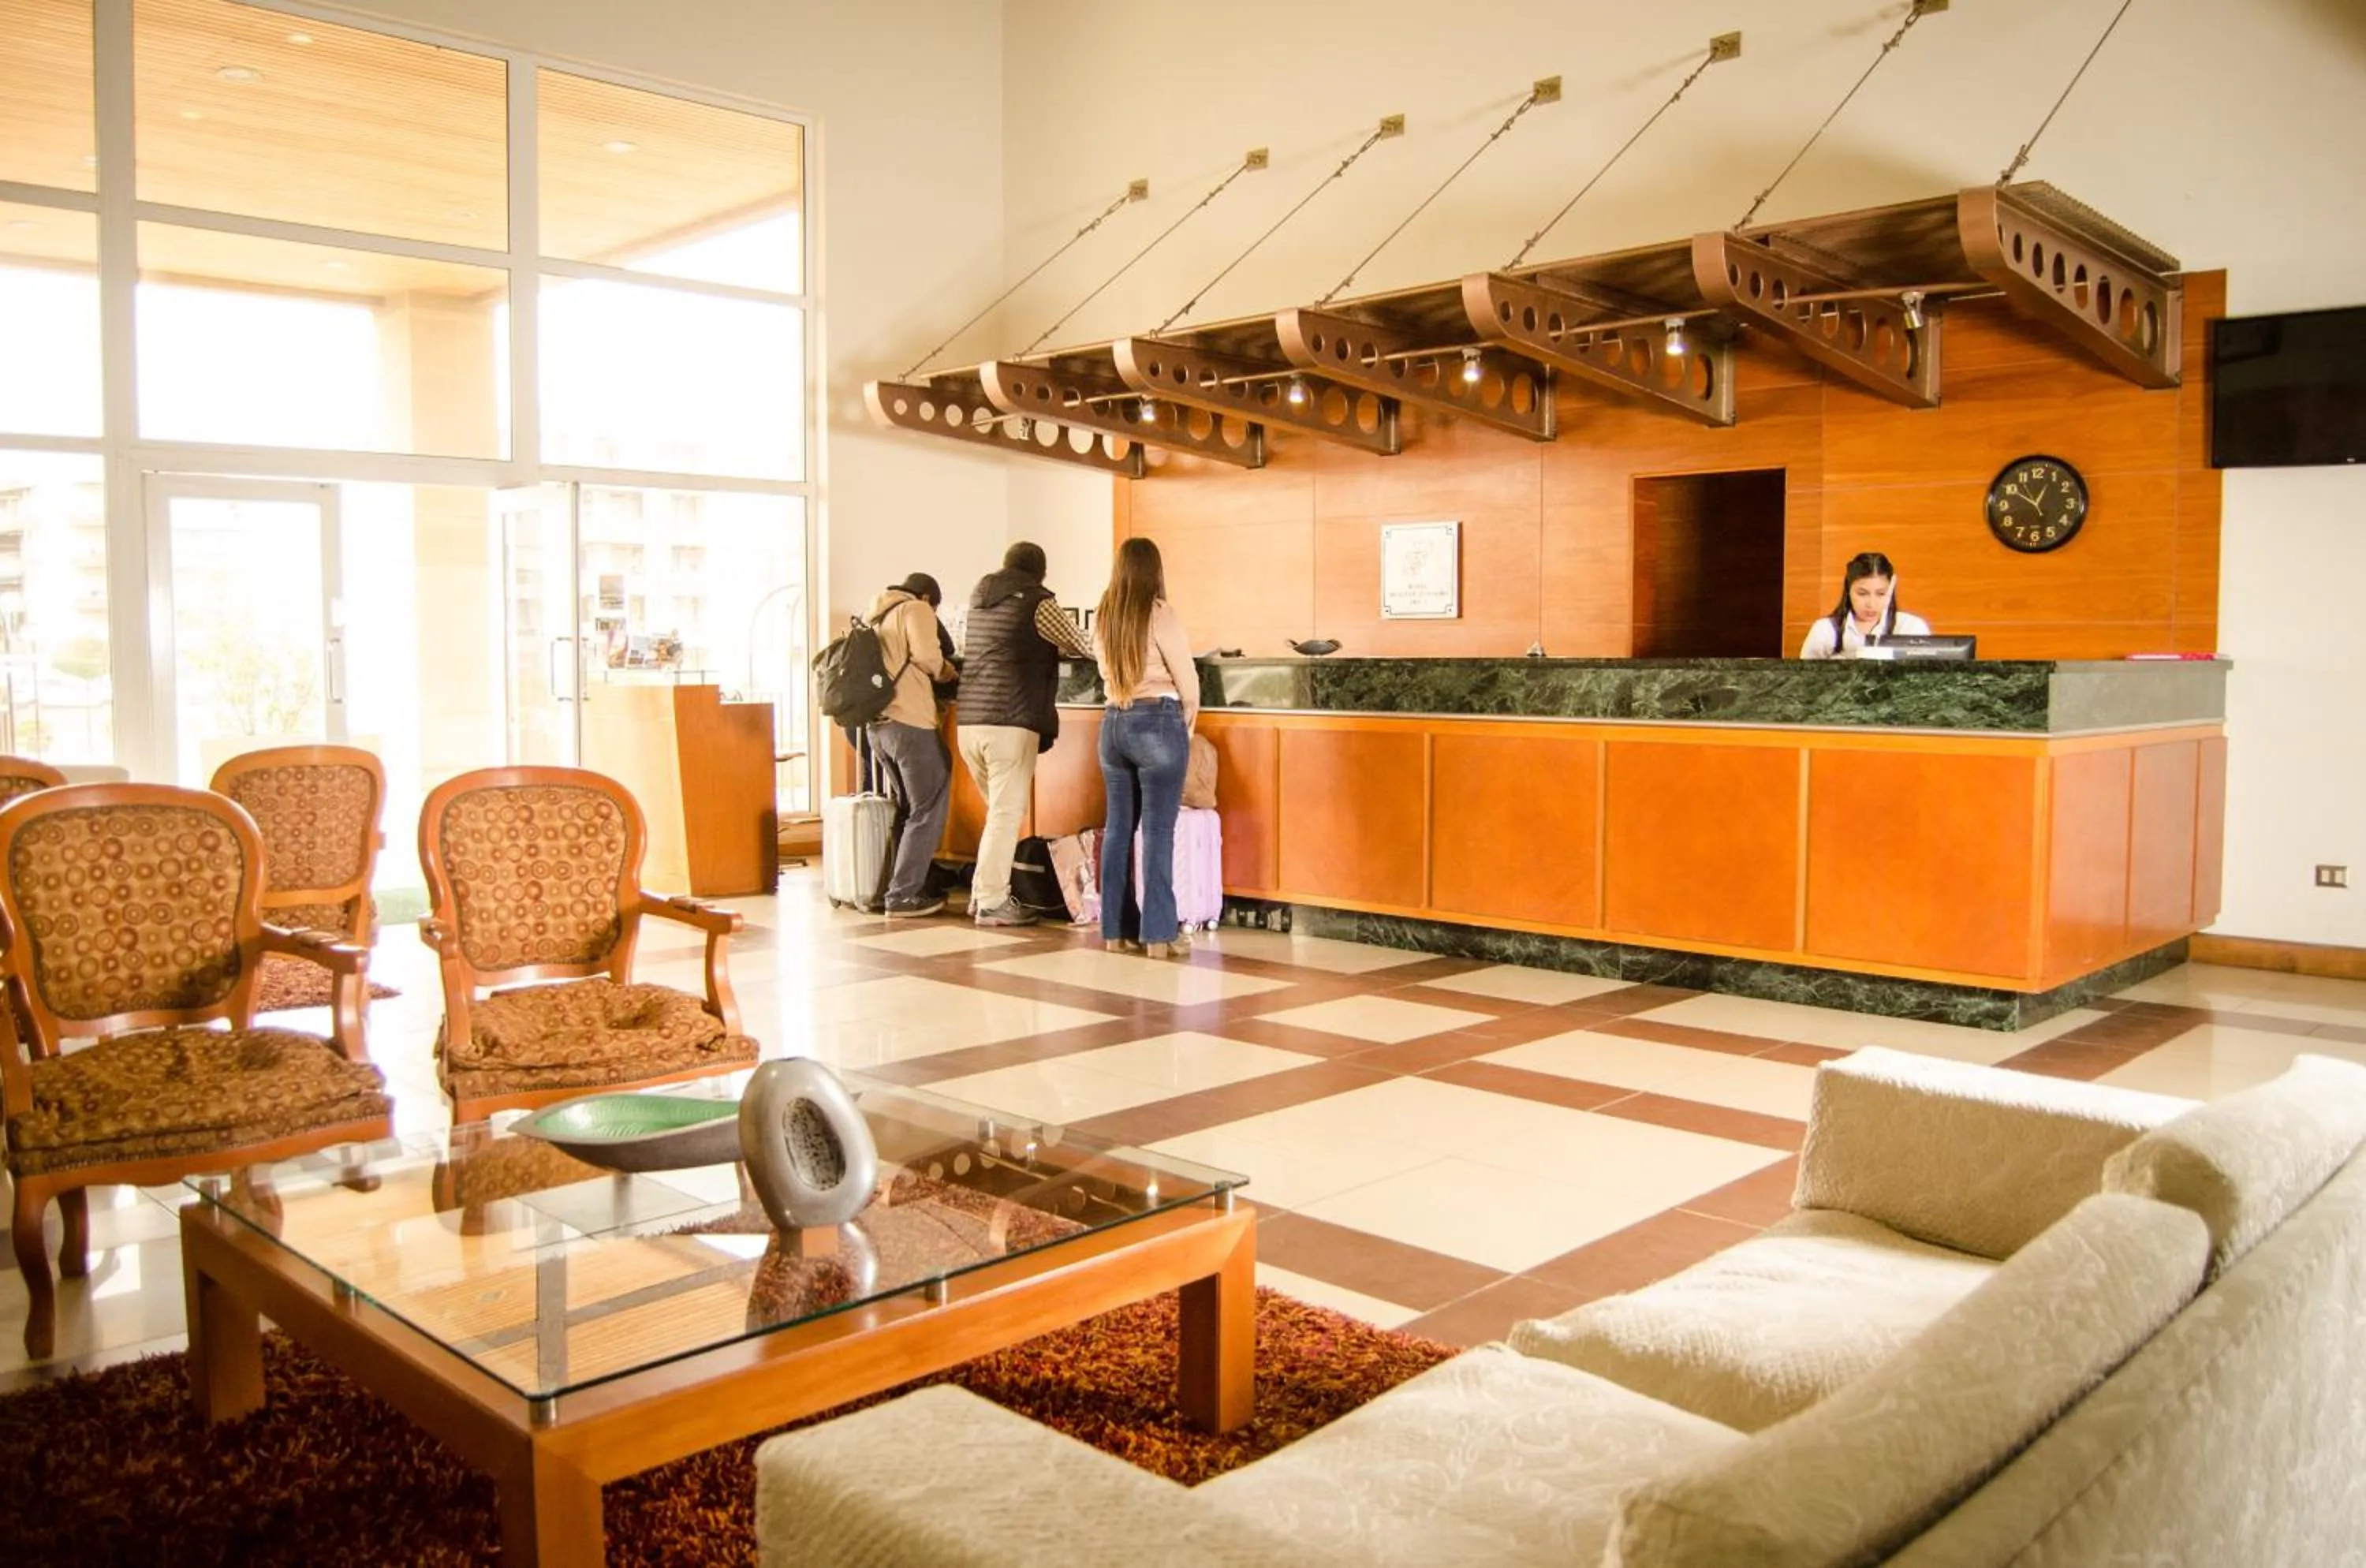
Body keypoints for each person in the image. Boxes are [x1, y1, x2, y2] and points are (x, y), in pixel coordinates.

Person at [957, 540, 1094, 926]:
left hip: (969, 722)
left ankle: (982, 894)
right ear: (1041, 572)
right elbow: (1082, 643)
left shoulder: (980, 597)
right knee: (1005, 814)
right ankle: (991, 901)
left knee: (998, 813)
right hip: (1009, 722)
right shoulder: (1037, 600)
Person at [1093, 537, 1197, 958]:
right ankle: (1159, 936)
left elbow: (1102, 670)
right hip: (1157, 719)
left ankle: (1115, 932)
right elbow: (1186, 679)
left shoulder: (1105, 616)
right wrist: (1187, 723)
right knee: (1157, 831)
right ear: (1155, 571)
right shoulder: (1158, 613)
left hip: (1113, 725)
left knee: (1118, 830)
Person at [865, 571, 953, 916]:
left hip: (879, 726)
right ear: (929, 598)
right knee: (927, 808)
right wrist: (947, 671)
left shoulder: (876, 611)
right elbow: (929, 658)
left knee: (907, 809)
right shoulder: (916, 610)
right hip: (910, 720)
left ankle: (885, 888)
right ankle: (902, 896)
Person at [1797, 551, 1931, 659]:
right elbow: (1804, 680)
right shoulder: (1825, 630)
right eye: (1862, 594)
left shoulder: (1911, 627)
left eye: (1880, 594)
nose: (1871, 604)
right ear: (1848, 590)